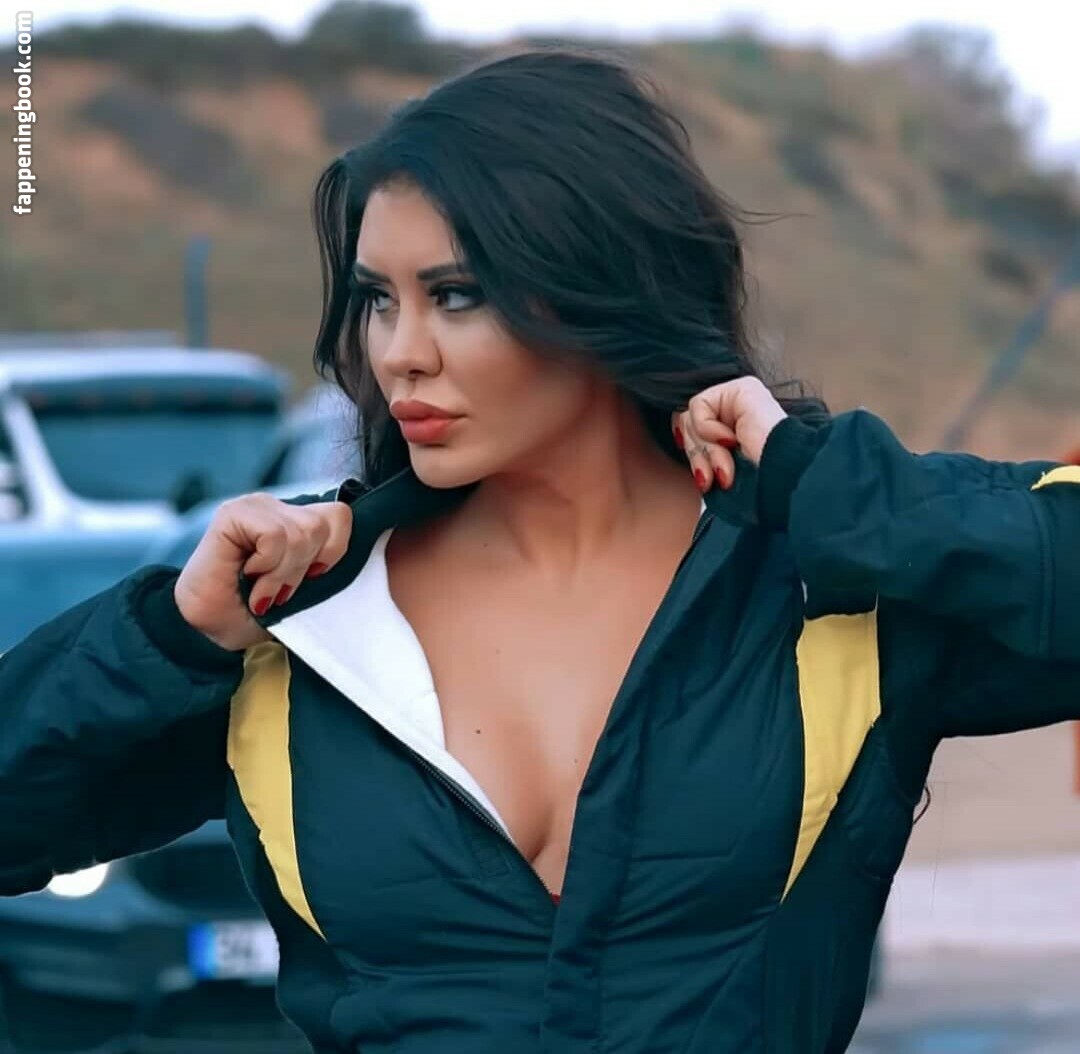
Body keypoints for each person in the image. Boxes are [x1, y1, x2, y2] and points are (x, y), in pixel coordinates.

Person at [2, 46, 1079, 1054]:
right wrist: (167, 640)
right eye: (377, 300)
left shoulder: (823, 586)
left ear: (605, 288)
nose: (399, 354)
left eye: (455, 296)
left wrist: (826, 483)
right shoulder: (301, 624)